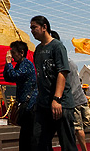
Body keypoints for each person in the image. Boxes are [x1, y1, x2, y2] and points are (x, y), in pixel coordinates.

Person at [50, 30, 90, 151]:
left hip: (72, 100)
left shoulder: (60, 64)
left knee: (78, 128)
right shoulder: (71, 62)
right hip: (81, 97)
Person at [28, 16, 76, 151]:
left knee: (67, 144)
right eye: (31, 28)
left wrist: (57, 99)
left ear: (44, 27)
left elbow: (62, 72)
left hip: (61, 103)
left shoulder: (57, 46)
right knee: (38, 142)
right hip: (43, 104)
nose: (32, 31)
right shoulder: (37, 50)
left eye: (34, 27)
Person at [3, 40, 37, 151]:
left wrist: (9, 64)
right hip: (24, 105)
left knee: (29, 138)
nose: (12, 56)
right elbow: (8, 77)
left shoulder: (26, 65)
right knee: (24, 138)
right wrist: (7, 64)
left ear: (21, 52)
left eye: (14, 53)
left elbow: (15, 76)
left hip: (30, 106)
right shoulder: (19, 65)